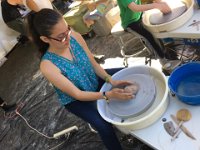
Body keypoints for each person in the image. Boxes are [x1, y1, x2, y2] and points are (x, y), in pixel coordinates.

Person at [27, 9, 135, 150]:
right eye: (61, 36)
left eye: (68, 30)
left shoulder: (75, 37)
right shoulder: (48, 66)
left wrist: (110, 79)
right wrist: (108, 94)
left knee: (128, 75)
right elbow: (78, 94)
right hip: (77, 99)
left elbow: (93, 64)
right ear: (45, 39)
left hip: (92, 78)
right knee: (104, 126)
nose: (67, 37)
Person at [117, 0, 181, 71]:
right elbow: (135, 8)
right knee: (148, 37)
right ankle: (164, 62)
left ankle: (164, 53)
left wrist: (159, 2)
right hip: (130, 23)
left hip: (139, 17)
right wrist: (156, 6)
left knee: (155, 34)